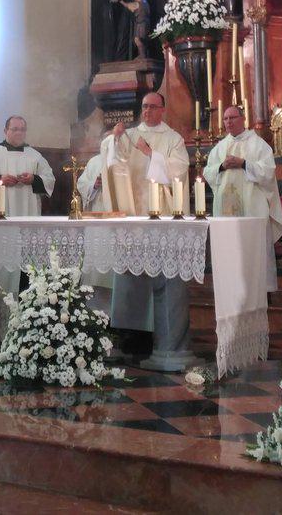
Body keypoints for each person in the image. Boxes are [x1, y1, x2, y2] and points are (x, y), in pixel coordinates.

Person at [103, 92, 193, 371]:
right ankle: (131, 338)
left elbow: (179, 171)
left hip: (162, 218)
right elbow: (113, 161)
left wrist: (151, 154)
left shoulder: (173, 139)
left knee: (163, 277)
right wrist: (113, 139)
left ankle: (163, 339)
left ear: (163, 110)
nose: (147, 111)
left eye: (152, 107)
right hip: (134, 217)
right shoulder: (129, 135)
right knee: (131, 278)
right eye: (143, 107)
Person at [203, 106, 282, 240]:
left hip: (253, 207)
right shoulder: (219, 147)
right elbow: (208, 172)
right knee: (228, 243)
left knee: (252, 245)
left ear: (243, 119)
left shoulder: (259, 144)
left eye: (232, 118)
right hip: (225, 208)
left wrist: (244, 164)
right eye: (225, 119)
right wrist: (222, 166)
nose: (228, 122)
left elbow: (268, 172)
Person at [0, 117, 55, 217]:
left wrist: (34, 179)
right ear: (5, 131)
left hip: (28, 210)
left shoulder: (35, 156)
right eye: (15, 129)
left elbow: (49, 179)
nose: (19, 133)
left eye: (22, 130)